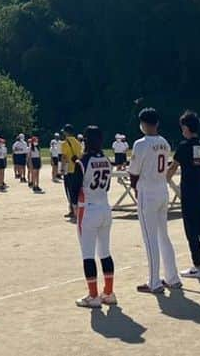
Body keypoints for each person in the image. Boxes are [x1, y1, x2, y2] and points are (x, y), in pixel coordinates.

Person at [129, 107, 181, 293]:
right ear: (157, 123)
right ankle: (172, 277)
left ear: (143, 124)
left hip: (147, 192)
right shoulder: (165, 143)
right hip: (161, 189)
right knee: (163, 235)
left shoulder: (140, 144)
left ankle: (154, 281)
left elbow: (134, 171)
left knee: (150, 238)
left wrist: (135, 188)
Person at [69, 125, 117, 308]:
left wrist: (74, 206)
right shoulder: (106, 160)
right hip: (105, 207)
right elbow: (108, 186)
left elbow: (74, 189)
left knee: (88, 254)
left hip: (88, 209)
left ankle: (93, 295)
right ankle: (109, 292)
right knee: (105, 252)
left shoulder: (83, 161)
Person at [168, 110, 200, 277]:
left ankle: (197, 265)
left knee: (191, 229)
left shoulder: (184, 146)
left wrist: (164, 179)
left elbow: (173, 167)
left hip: (189, 189)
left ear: (186, 128)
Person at [60, 124, 83, 219]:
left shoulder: (64, 143)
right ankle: (77, 209)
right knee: (77, 190)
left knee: (70, 191)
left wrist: (61, 168)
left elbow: (64, 157)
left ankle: (73, 211)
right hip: (78, 169)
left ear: (66, 132)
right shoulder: (78, 142)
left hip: (69, 170)